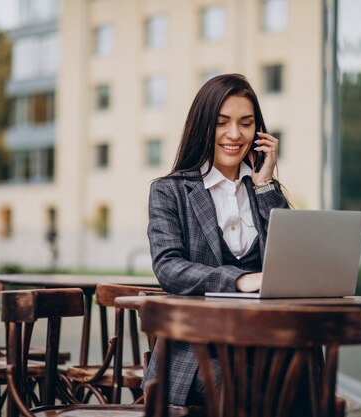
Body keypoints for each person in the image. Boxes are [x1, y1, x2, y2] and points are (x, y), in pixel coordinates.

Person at [142, 73, 289, 406]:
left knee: (304, 371)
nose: (235, 134)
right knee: (247, 382)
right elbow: (168, 267)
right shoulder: (170, 191)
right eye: (222, 123)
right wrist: (240, 280)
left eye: (246, 123)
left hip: (264, 343)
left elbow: (287, 261)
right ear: (202, 127)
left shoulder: (265, 192)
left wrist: (266, 185)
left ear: (259, 132)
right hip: (197, 353)